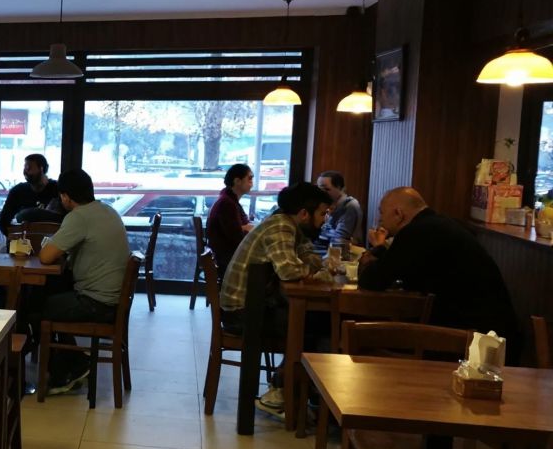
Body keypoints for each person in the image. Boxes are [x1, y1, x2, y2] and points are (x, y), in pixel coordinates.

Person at [219, 182, 332, 417]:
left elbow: (309, 256)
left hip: (256, 305)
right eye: (322, 214)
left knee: (316, 323)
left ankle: (297, 390)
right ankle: (286, 390)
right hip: (242, 312)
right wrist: (310, 267)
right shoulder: (280, 227)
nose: (324, 220)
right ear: (303, 214)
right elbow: (290, 270)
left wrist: (309, 264)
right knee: (316, 327)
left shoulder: (289, 225)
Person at [359, 187, 518, 348]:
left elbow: (372, 280)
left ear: (398, 214)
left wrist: (369, 256)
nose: (380, 219)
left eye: (381, 213)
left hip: (477, 341)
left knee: (375, 341)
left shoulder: (415, 232)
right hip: (495, 330)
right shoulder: (440, 224)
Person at [34, 169, 132, 394]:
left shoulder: (79, 217)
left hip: (96, 303)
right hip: (113, 301)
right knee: (52, 297)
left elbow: (46, 256)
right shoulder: (107, 210)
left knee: (38, 306)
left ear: (65, 197)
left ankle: (63, 371)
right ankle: (74, 362)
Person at [206, 163, 256, 275]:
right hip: (225, 258)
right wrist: (246, 228)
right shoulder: (227, 203)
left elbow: (242, 228)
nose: (252, 183)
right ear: (237, 181)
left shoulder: (229, 200)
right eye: (249, 178)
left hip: (225, 254)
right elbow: (236, 236)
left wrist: (246, 227)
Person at [0, 154, 62, 225]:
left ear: (41, 169)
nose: (25, 172)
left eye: (28, 168)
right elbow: (3, 221)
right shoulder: (18, 191)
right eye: (24, 168)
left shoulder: (57, 189)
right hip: (24, 235)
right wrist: (13, 234)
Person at [314, 170, 362, 251]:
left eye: (326, 189)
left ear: (339, 187)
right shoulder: (329, 205)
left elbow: (339, 239)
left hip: (343, 256)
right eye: (319, 189)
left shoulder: (350, 205)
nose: (321, 193)